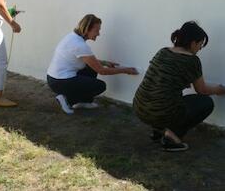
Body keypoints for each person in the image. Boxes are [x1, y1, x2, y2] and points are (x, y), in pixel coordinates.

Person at [133, 21, 225, 152]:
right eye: (200, 44)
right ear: (193, 43)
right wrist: (220, 89)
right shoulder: (192, 60)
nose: (199, 49)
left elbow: (161, 81)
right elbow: (202, 90)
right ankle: (171, 138)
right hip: (159, 111)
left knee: (172, 99)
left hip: (139, 107)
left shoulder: (163, 51)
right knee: (205, 103)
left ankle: (159, 130)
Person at [47, 14, 138, 114]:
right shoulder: (79, 45)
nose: (98, 34)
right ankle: (66, 99)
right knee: (100, 86)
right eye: (96, 30)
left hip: (54, 78)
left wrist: (104, 62)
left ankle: (83, 101)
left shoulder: (72, 37)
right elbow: (102, 71)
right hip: (60, 81)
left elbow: (85, 59)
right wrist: (126, 70)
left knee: (91, 68)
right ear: (87, 29)